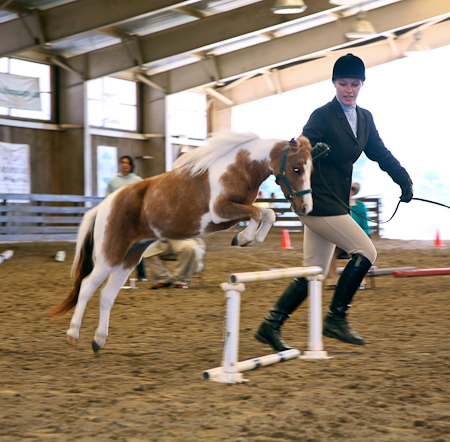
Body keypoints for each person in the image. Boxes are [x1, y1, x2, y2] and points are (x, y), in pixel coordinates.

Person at [254, 53, 413, 348]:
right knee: (366, 252)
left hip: (336, 200)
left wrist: (402, 178)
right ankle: (336, 318)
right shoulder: (323, 115)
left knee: (313, 271)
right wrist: (314, 149)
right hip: (317, 200)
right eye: (343, 83)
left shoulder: (365, 118)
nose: (349, 89)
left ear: (362, 85)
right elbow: (299, 147)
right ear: (334, 84)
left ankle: (270, 325)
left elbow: (380, 152)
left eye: (354, 84)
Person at [106, 155, 147, 281]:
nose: (125, 165)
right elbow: (108, 199)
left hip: (134, 219)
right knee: (116, 246)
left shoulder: (138, 180)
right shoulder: (114, 182)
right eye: (123, 162)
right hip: (119, 218)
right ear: (120, 164)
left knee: (137, 245)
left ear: (131, 165)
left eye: (128, 163)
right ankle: (115, 272)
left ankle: (141, 273)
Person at [324, 182, 370, 289]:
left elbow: (365, 225)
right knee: (329, 253)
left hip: (355, 241)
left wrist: (364, 240)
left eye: (352, 190)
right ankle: (332, 280)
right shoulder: (335, 205)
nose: (349, 192)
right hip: (338, 242)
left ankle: (359, 281)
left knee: (359, 254)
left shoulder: (360, 206)